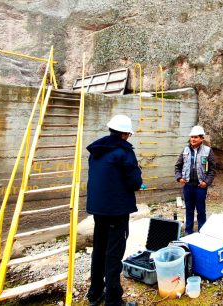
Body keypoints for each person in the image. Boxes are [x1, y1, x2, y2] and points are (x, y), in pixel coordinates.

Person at [85, 114, 142, 306]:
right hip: (116, 211)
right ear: (125, 134)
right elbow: (135, 182)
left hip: (98, 210)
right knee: (113, 254)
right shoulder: (124, 152)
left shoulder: (96, 150)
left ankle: (95, 294)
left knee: (99, 249)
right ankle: (113, 300)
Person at [175, 125, 216, 234]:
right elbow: (178, 166)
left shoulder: (208, 151)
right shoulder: (185, 150)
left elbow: (212, 169)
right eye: (192, 137)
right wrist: (179, 178)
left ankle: (202, 231)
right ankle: (189, 231)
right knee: (189, 210)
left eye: (196, 137)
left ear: (201, 138)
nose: (193, 139)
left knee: (201, 210)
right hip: (188, 186)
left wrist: (206, 182)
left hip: (200, 187)